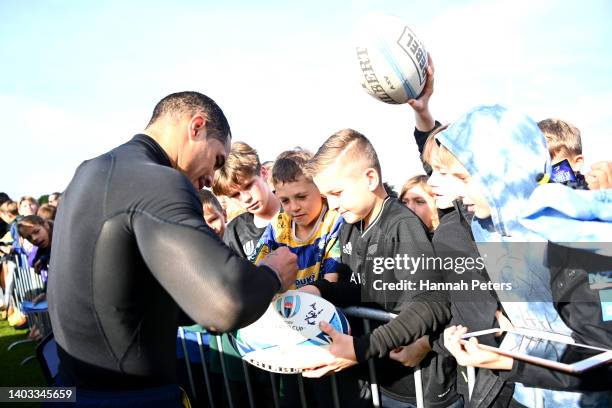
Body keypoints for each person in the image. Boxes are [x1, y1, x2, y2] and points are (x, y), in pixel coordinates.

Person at [47, 91, 298, 407]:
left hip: (72, 389)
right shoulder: (157, 180)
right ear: (196, 127)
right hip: (130, 397)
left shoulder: (87, 173)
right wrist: (273, 273)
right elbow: (225, 304)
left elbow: (128, 296)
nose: (210, 180)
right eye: (218, 160)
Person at [435, 105, 610, 407]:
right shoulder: (487, 223)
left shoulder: (583, 238)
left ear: (499, 174)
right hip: (525, 395)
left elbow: (602, 356)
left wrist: (504, 361)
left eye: (462, 178)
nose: (454, 191)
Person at [301, 129, 459, 408]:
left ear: (370, 178)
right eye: (327, 197)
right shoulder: (349, 226)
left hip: (418, 388)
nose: (333, 205)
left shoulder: (402, 225)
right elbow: (365, 290)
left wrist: (360, 348)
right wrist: (320, 289)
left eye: (337, 193)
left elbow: (432, 302)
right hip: (378, 380)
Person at [253, 148, 343, 288]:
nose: (294, 207)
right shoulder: (278, 226)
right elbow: (256, 271)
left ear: (320, 188)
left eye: (301, 197)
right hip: (285, 307)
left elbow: (332, 279)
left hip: (321, 304)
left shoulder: (334, 221)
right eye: (285, 201)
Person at [212, 141, 281, 259]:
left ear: (263, 173)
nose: (246, 198)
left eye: (249, 186)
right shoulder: (234, 234)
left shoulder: (298, 209)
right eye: (235, 195)